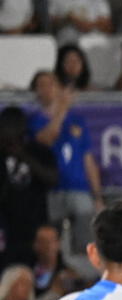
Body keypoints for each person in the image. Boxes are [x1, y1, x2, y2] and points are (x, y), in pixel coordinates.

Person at [29, 71, 104, 258]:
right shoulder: (34, 121)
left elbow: (87, 158)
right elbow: (46, 139)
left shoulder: (77, 121)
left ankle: (84, 278)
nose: (47, 89)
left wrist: (97, 195)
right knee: (53, 243)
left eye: (51, 84)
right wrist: (61, 109)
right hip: (52, 190)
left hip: (79, 188)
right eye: (42, 85)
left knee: (86, 243)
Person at [0, 106, 57, 269]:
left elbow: (52, 179)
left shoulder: (39, 151)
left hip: (36, 221)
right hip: (7, 226)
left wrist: (23, 156)